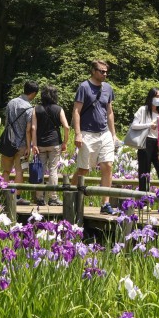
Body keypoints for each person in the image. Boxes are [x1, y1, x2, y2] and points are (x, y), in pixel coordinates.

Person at [71, 60, 118, 214]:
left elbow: (109, 111)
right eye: (101, 71)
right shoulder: (84, 87)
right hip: (87, 133)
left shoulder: (108, 88)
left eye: (106, 71)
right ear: (93, 71)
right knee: (84, 170)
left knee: (107, 166)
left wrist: (114, 134)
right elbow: (76, 111)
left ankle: (105, 204)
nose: (105, 74)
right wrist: (77, 133)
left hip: (104, 133)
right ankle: (70, 192)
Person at [28, 85, 69, 206]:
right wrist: (65, 142)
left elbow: (33, 128)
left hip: (40, 143)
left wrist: (34, 144)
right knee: (53, 170)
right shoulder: (59, 109)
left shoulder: (36, 108)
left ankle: (40, 198)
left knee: (40, 170)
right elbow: (66, 127)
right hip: (55, 143)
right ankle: (53, 198)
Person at [1, 80, 38, 204]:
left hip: (7, 142)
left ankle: (4, 196)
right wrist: (29, 147)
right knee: (19, 170)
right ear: (33, 93)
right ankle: (17, 198)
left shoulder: (11, 103)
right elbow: (28, 130)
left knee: (6, 171)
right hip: (21, 145)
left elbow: (6, 122)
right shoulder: (29, 108)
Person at [129, 87, 159, 192]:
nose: (158, 99)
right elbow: (134, 125)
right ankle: (144, 200)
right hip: (146, 142)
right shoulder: (143, 110)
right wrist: (150, 125)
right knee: (144, 172)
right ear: (151, 97)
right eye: (156, 96)